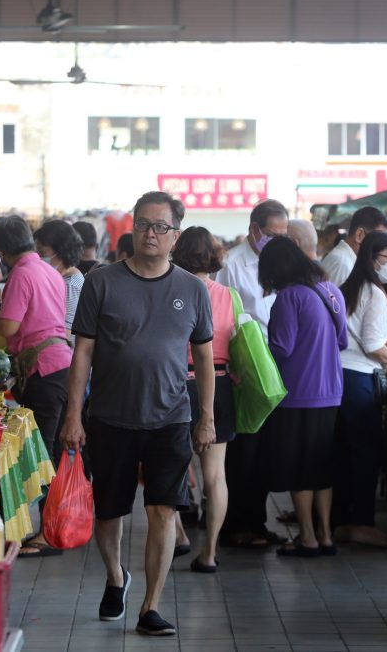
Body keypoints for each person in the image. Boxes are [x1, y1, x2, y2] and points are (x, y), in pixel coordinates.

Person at [60, 191, 215, 636]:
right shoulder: (102, 282)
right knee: (110, 511)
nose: (150, 233)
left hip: (171, 419)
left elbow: (203, 359)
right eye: (143, 224)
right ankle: (115, 576)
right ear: (133, 228)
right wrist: (74, 416)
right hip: (110, 417)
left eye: (160, 227)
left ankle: (150, 606)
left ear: (175, 235)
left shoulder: (191, 288)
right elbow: (82, 354)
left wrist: (206, 418)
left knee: (164, 510)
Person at [0, 215, 72, 558]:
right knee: (57, 451)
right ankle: (59, 527)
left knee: (43, 451)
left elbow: (8, 327)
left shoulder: (20, 273)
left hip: (43, 370)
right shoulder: (49, 269)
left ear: (1, 250)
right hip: (63, 364)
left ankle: (50, 534)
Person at [259, 236, 347, 557]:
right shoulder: (330, 290)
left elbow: (280, 348)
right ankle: (325, 535)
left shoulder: (290, 297)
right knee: (321, 466)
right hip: (331, 391)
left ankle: (307, 537)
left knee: (300, 467)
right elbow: (342, 340)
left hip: (299, 393)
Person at [214, 199, 289, 549]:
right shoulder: (231, 263)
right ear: (255, 230)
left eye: (284, 235)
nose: (279, 241)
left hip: (273, 365)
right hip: (242, 368)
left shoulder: (280, 264)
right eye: (273, 234)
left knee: (265, 450)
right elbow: (222, 318)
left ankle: (257, 521)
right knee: (242, 449)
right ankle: (235, 524)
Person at [171, 227, 235, 573]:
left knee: (173, 468)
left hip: (178, 384)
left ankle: (180, 533)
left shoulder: (173, 290)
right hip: (221, 385)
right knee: (215, 476)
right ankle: (209, 553)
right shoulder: (229, 295)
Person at [334, 231, 387, 548]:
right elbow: (374, 343)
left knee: (345, 454)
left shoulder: (352, 287)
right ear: (371, 257)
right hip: (359, 378)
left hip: (341, 377)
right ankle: (361, 523)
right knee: (364, 455)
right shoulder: (374, 293)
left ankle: (341, 522)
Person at [34, 220, 85, 339]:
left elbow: (66, 333)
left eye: (42, 253)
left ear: (61, 251)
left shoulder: (70, 285)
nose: (39, 258)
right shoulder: (59, 278)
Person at [320, 206, 387, 286]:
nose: (380, 247)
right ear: (360, 235)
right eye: (378, 240)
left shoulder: (346, 260)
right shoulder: (343, 264)